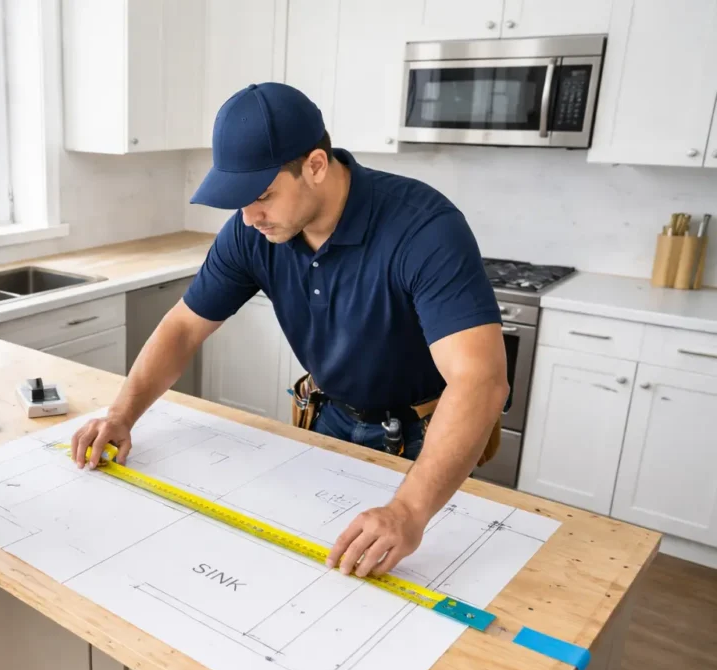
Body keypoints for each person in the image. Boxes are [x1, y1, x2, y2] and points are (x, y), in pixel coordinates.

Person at [71, 82, 508, 581]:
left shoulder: (424, 229)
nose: (249, 217)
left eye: (261, 197)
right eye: (238, 201)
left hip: (424, 435)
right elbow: (183, 328)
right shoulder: (252, 230)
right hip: (326, 416)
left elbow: (481, 381)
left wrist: (409, 511)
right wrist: (122, 415)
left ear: (316, 166)